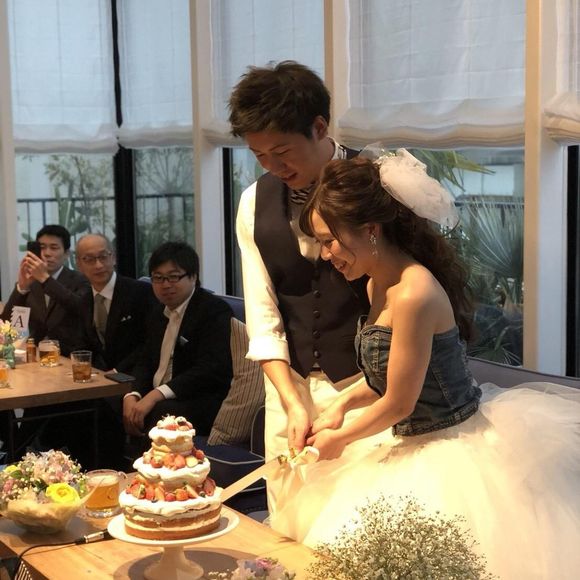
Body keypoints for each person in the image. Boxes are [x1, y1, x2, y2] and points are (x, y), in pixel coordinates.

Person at [269, 151, 580, 579]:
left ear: (370, 230)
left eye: (329, 241)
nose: (326, 256)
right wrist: (341, 404)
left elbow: (399, 402)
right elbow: (386, 374)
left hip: (450, 445)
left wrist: (339, 438)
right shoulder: (378, 283)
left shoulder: (415, 293)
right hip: (407, 439)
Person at [230, 61, 371, 480]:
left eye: (282, 152)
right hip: (288, 389)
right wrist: (291, 400)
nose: (272, 166)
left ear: (319, 127)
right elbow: (263, 314)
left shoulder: (374, 185)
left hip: (364, 391)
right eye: (259, 155)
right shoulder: (253, 202)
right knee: (289, 511)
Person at [122, 241, 233, 436]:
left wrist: (156, 395)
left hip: (199, 397)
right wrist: (134, 394)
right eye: (158, 278)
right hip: (160, 394)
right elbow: (145, 360)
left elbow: (210, 369)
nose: (165, 285)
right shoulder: (157, 311)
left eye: (173, 277)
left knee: (162, 413)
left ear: (193, 277)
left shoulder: (213, 310)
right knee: (114, 402)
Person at [1, 224, 89, 356]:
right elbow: (6, 323)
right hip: (36, 356)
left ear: (66, 254)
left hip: (71, 356)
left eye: (54, 248)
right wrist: (22, 288)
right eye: (42, 247)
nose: (47, 253)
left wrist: (45, 279)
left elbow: (79, 308)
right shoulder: (31, 283)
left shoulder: (80, 280)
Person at [76, 233, 157, 373]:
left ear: (113, 257)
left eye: (103, 257)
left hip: (137, 375)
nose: (98, 265)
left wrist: (117, 371)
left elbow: (150, 342)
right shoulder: (84, 300)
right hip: (102, 378)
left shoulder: (140, 292)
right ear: (79, 265)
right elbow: (86, 346)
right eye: (89, 259)